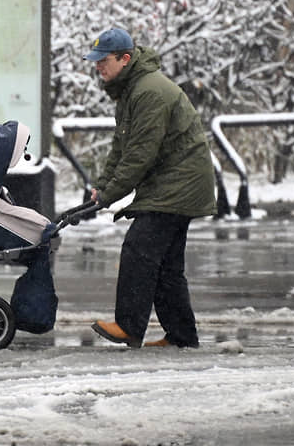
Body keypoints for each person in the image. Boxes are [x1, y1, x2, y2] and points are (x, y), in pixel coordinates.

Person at [83, 27, 217, 349]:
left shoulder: (149, 92)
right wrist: (101, 188)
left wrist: (110, 195)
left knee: (139, 251)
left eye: (104, 61)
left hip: (178, 183)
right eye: (95, 61)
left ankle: (129, 326)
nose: (98, 67)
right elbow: (121, 148)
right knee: (167, 267)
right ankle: (182, 336)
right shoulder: (131, 91)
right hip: (172, 182)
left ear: (125, 59)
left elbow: (141, 155)